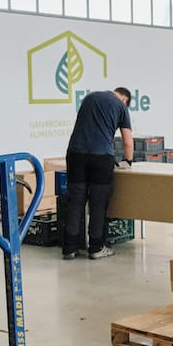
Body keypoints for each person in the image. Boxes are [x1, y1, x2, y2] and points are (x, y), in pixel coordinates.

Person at [62, 87, 134, 260]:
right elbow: (127, 141)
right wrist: (128, 161)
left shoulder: (89, 98)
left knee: (75, 201)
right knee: (98, 203)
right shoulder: (121, 106)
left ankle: (69, 248)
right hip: (101, 157)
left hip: (75, 154)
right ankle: (96, 247)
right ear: (125, 100)